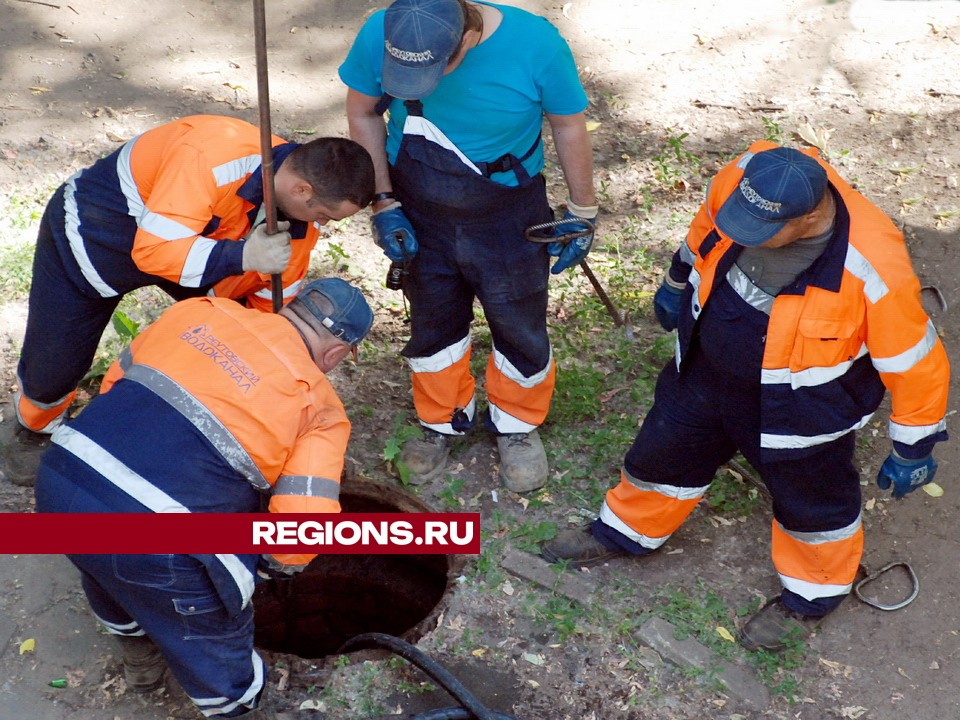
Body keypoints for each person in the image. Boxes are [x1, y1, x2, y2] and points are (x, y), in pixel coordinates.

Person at [541, 142, 950, 651]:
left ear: (808, 219)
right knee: (663, 451)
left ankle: (813, 593)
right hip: (708, 368)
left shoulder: (873, 266)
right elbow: (704, 230)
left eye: (760, 232)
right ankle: (625, 531)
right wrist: (676, 280)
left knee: (812, 501)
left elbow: (916, 361)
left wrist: (915, 443)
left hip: (801, 408)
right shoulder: (745, 179)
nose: (740, 234)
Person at [33, 277, 374, 718]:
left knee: (102, 564)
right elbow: (302, 525)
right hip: (161, 542)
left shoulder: (199, 313)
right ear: (335, 353)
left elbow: (116, 385)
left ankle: (140, 662)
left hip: (63, 476)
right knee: (212, 638)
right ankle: (236, 705)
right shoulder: (320, 408)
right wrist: (273, 568)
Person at [2, 114, 375, 486]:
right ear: (302, 190)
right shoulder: (210, 156)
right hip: (99, 234)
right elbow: (155, 253)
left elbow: (271, 318)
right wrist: (241, 257)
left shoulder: (298, 226)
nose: (322, 226)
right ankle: (34, 426)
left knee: (234, 337)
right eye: (325, 216)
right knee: (55, 359)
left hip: (202, 257)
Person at [338, 0, 597, 492]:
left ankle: (517, 422)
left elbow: (568, 124)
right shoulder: (385, 31)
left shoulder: (536, 45)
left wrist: (582, 212)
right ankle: (441, 418)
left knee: (517, 314)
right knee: (433, 315)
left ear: (468, 38)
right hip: (418, 204)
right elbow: (362, 112)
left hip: (507, 210)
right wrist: (384, 202)